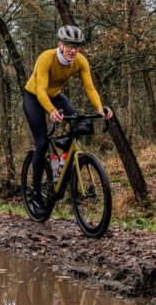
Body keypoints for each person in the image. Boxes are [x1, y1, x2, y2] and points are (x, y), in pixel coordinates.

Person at [23, 25, 113, 211]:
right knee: (41, 143)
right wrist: (50, 111)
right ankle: (35, 194)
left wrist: (100, 108)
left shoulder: (80, 61)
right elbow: (40, 90)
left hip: (55, 95)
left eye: (77, 46)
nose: (73, 50)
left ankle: (63, 155)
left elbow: (90, 88)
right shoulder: (46, 58)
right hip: (34, 97)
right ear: (60, 44)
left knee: (81, 122)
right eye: (70, 45)